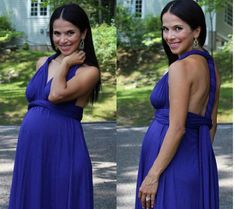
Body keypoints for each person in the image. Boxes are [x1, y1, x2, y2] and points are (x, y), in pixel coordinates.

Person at [8, 3, 100, 209]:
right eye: (57, 33)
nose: (63, 39)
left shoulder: (89, 72)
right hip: (31, 146)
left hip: (63, 145)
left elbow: (56, 95)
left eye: (70, 32)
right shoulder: (42, 62)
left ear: (83, 33)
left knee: (58, 198)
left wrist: (66, 64)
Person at [135, 1, 220, 209]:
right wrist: (198, 161)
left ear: (196, 31)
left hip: (169, 165)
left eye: (178, 28)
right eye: (165, 29)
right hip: (195, 159)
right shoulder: (211, 67)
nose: (169, 36)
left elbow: (177, 127)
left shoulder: (180, 67)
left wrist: (153, 175)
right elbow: (212, 123)